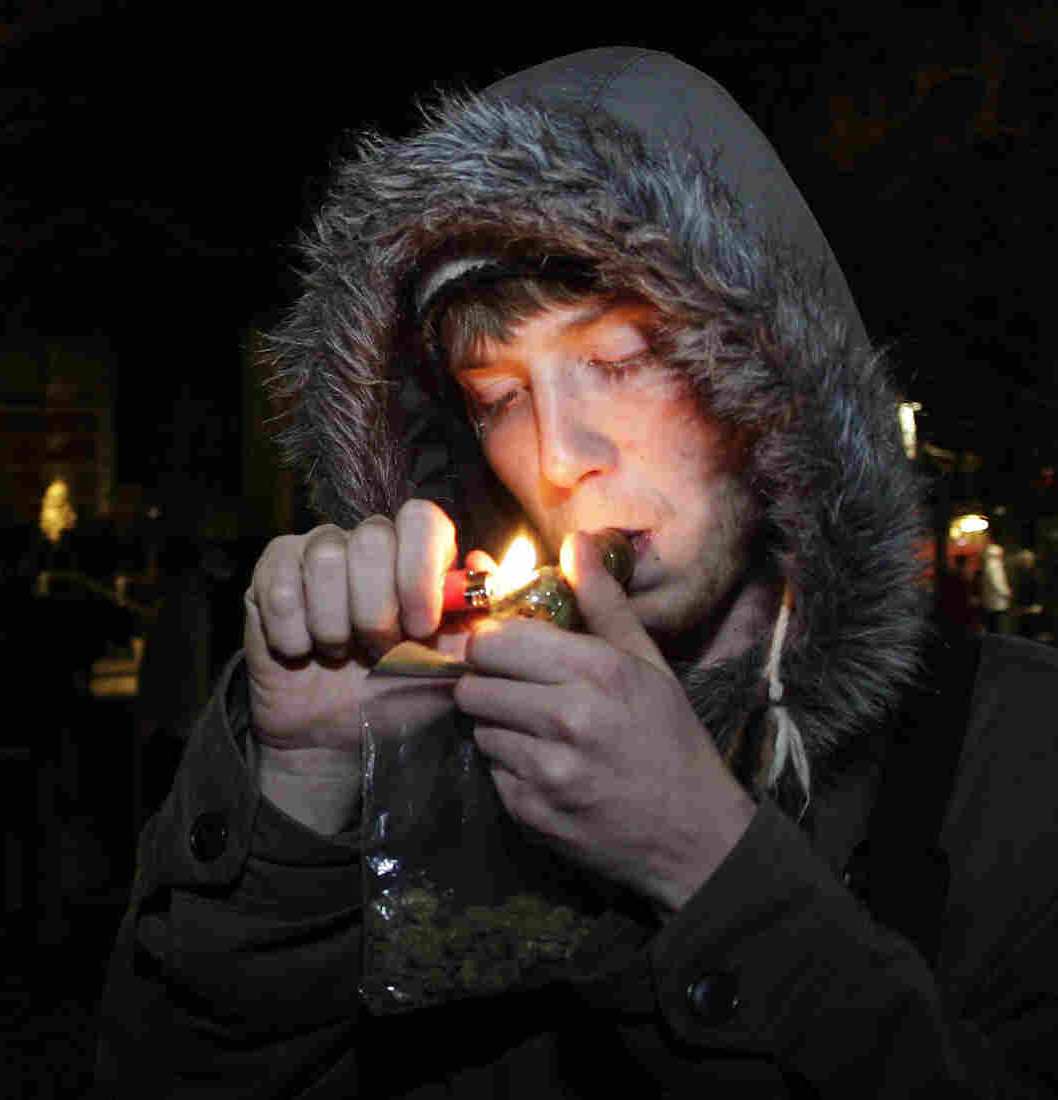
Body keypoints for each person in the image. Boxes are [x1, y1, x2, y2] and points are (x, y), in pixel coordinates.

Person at [95, 49, 1058, 1095]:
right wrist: (299, 801)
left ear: (771, 367)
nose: (557, 455)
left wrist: (704, 861)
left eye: (621, 359)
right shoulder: (431, 743)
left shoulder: (1018, 760)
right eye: (496, 396)